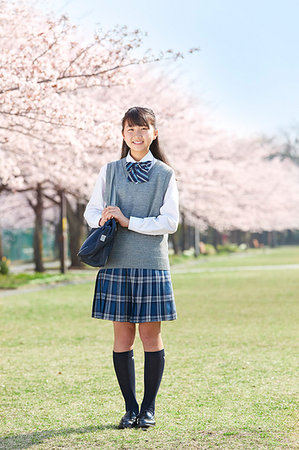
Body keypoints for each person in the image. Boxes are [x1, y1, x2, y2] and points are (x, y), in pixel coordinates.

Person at [83, 106, 179, 429]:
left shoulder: (166, 174)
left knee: (151, 337)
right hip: (116, 264)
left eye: (143, 129)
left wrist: (128, 220)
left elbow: (171, 221)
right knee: (122, 337)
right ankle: (130, 407)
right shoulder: (109, 171)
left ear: (154, 133)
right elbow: (91, 211)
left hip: (151, 264)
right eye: (130, 130)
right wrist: (103, 218)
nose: (137, 136)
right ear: (123, 134)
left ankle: (149, 408)